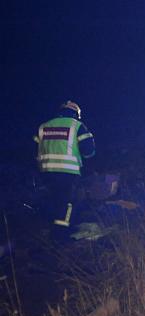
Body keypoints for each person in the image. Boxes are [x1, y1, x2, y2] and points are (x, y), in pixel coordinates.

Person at [34, 101, 96, 240]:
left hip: (45, 171)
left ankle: (49, 227)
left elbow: (34, 149)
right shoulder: (77, 126)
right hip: (68, 171)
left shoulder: (44, 126)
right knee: (67, 202)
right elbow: (89, 151)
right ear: (76, 114)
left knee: (52, 199)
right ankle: (61, 233)